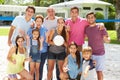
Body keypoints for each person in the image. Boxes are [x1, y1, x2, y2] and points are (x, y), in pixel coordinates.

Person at [85, 12, 110, 80]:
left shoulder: (101, 27)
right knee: (88, 71)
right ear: (87, 19)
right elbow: (85, 37)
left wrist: (107, 39)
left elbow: (108, 38)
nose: (90, 19)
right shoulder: (86, 28)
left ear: (95, 18)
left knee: (99, 72)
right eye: (89, 17)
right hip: (90, 54)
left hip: (100, 54)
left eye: (92, 17)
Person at [27, 14, 47, 80]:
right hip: (32, 54)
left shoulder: (44, 30)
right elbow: (28, 39)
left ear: (42, 22)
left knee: (39, 69)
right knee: (31, 70)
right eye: (37, 21)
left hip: (42, 52)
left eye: (40, 21)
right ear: (35, 21)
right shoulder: (32, 29)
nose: (38, 23)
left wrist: (41, 42)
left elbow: (46, 41)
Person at [41, 7, 59, 80]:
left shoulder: (58, 20)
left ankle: (58, 77)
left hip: (56, 45)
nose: (51, 13)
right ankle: (49, 77)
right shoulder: (44, 20)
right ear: (47, 13)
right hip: (46, 44)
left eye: (52, 11)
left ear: (55, 12)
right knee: (48, 63)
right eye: (49, 11)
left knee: (58, 63)